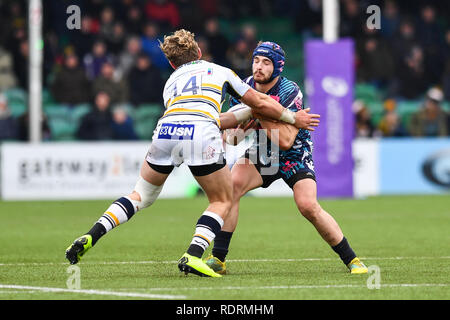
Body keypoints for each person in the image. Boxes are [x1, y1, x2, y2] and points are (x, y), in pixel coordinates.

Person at [65, 29, 320, 278]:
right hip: (200, 132)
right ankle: (194, 254)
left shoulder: (171, 81)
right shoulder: (219, 70)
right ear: (199, 51)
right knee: (222, 199)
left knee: (140, 194)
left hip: (165, 131)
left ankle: (93, 232)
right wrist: (292, 117)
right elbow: (261, 103)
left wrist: (247, 115)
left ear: (170, 62)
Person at [205, 41, 368, 275]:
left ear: (278, 67)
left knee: (308, 206)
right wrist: (244, 125)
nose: (258, 67)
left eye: (266, 62)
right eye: (256, 60)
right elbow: (232, 139)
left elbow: (286, 140)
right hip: (262, 149)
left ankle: (352, 260)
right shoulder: (242, 88)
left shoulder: (289, 90)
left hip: (295, 153)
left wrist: (256, 113)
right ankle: (218, 259)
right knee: (230, 189)